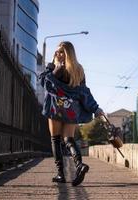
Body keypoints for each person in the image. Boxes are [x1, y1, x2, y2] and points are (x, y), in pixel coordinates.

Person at [39, 41, 104, 186]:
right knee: (68, 139)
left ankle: (61, 174)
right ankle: (80, 165)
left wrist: (53, 67)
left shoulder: (57, 68)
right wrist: (95, 108)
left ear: (67, 53)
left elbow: (46, 83)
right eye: (56, 52)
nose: (57, 54)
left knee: (55, 139)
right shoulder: (78, 69)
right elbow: (84, 92)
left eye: (60, 52)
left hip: (56, 108)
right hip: (70, 109)